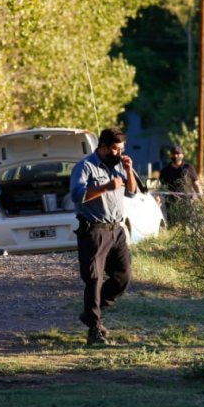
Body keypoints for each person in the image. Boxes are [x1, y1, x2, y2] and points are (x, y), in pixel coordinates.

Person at [69, 127, 136, 345]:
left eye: (122, 149)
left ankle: (91, 312)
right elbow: (78, 196)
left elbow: (132, 192)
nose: (119, 153)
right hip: (94, 230)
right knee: (94, 279)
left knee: (123, 276)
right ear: (103, 147)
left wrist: (128, 170)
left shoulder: (118, 166)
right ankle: (94, 330)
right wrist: (105, 186)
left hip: (116, 230)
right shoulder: (85, 166)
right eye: (115, 149)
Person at [158, 145, 201, 225]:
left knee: (187, 227)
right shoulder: (165, 171)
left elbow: (196, 184)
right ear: (170, 155)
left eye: (178, 153)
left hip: (186, 204)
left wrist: (202, 200)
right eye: (173, 153)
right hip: (171, 206)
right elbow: (161, 187)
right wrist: (158, 198)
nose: (175, 155)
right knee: (173, 227)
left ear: (182, 155)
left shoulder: (188, 168)